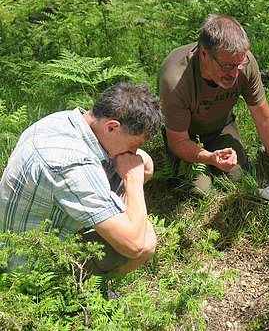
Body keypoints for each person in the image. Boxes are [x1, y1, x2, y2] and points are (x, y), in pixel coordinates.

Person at [0, 82, 164, 276]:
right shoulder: (71, 164)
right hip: (30, 268)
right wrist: (133, 180)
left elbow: (144, 164)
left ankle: (112, 216)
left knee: (142, 163)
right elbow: (134, 245)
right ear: (112, 127)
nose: (133, 152)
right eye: (133, 144)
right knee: (145, 240)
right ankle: (86, 296)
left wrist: (136, 165)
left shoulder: (63, 121)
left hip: (16, 237)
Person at [157, 14, 269, 194]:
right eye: (226, 66)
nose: (235, 74)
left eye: (239, 64)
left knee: (239, 176)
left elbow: (263, 115)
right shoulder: (175, 80)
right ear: (204, 54)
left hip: (220, 127)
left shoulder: (244, 62)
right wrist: (210, 158)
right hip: (185, 134)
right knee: (200, 190)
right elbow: (178, 140)